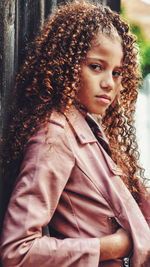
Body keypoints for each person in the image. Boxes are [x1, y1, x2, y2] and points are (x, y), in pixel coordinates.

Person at [0, 1, 150, 266]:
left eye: (117, 73)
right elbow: (17, 251)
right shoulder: (54, 135)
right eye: (96, 67)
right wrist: (112, 246)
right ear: (66, 65)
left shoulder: (90, 128)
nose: (109, 84)